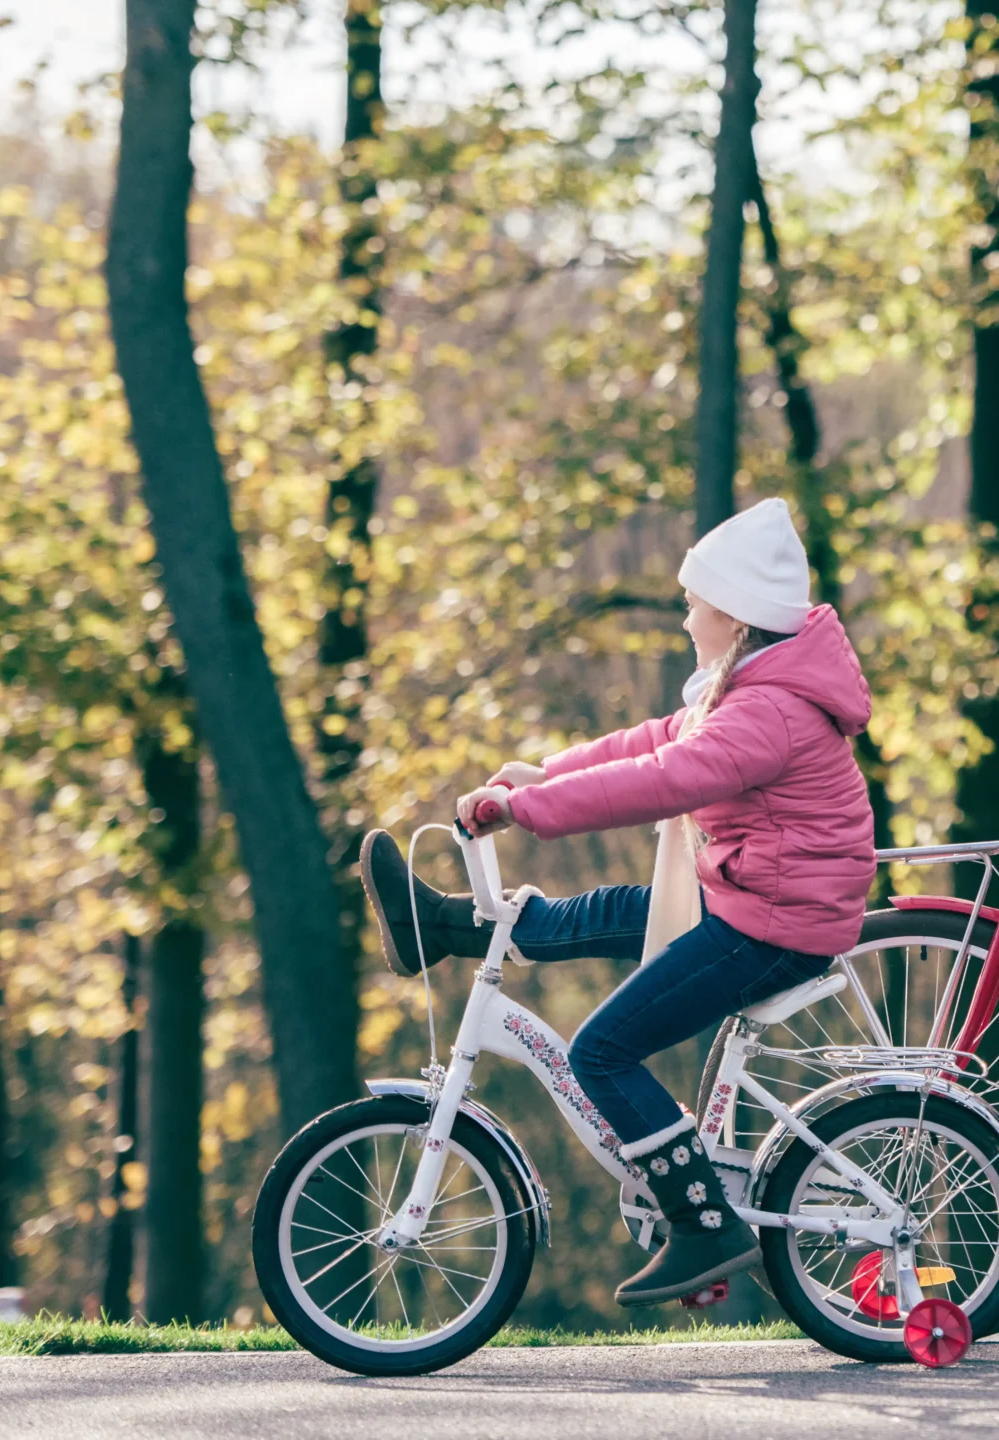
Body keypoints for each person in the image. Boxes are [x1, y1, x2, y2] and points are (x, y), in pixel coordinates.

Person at [356, 497, 878, 1304]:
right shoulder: (748, 688)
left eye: (693, 604)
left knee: (602, 1051)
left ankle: (702, 1222)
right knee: (600, 912)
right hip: (754, 894)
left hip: (773, 922)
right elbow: (655, 740)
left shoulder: (766, 710)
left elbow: (665, 779)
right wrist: (546, 773)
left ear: (735, 619)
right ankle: (445, 926)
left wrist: (526, 812)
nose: (684, 618)